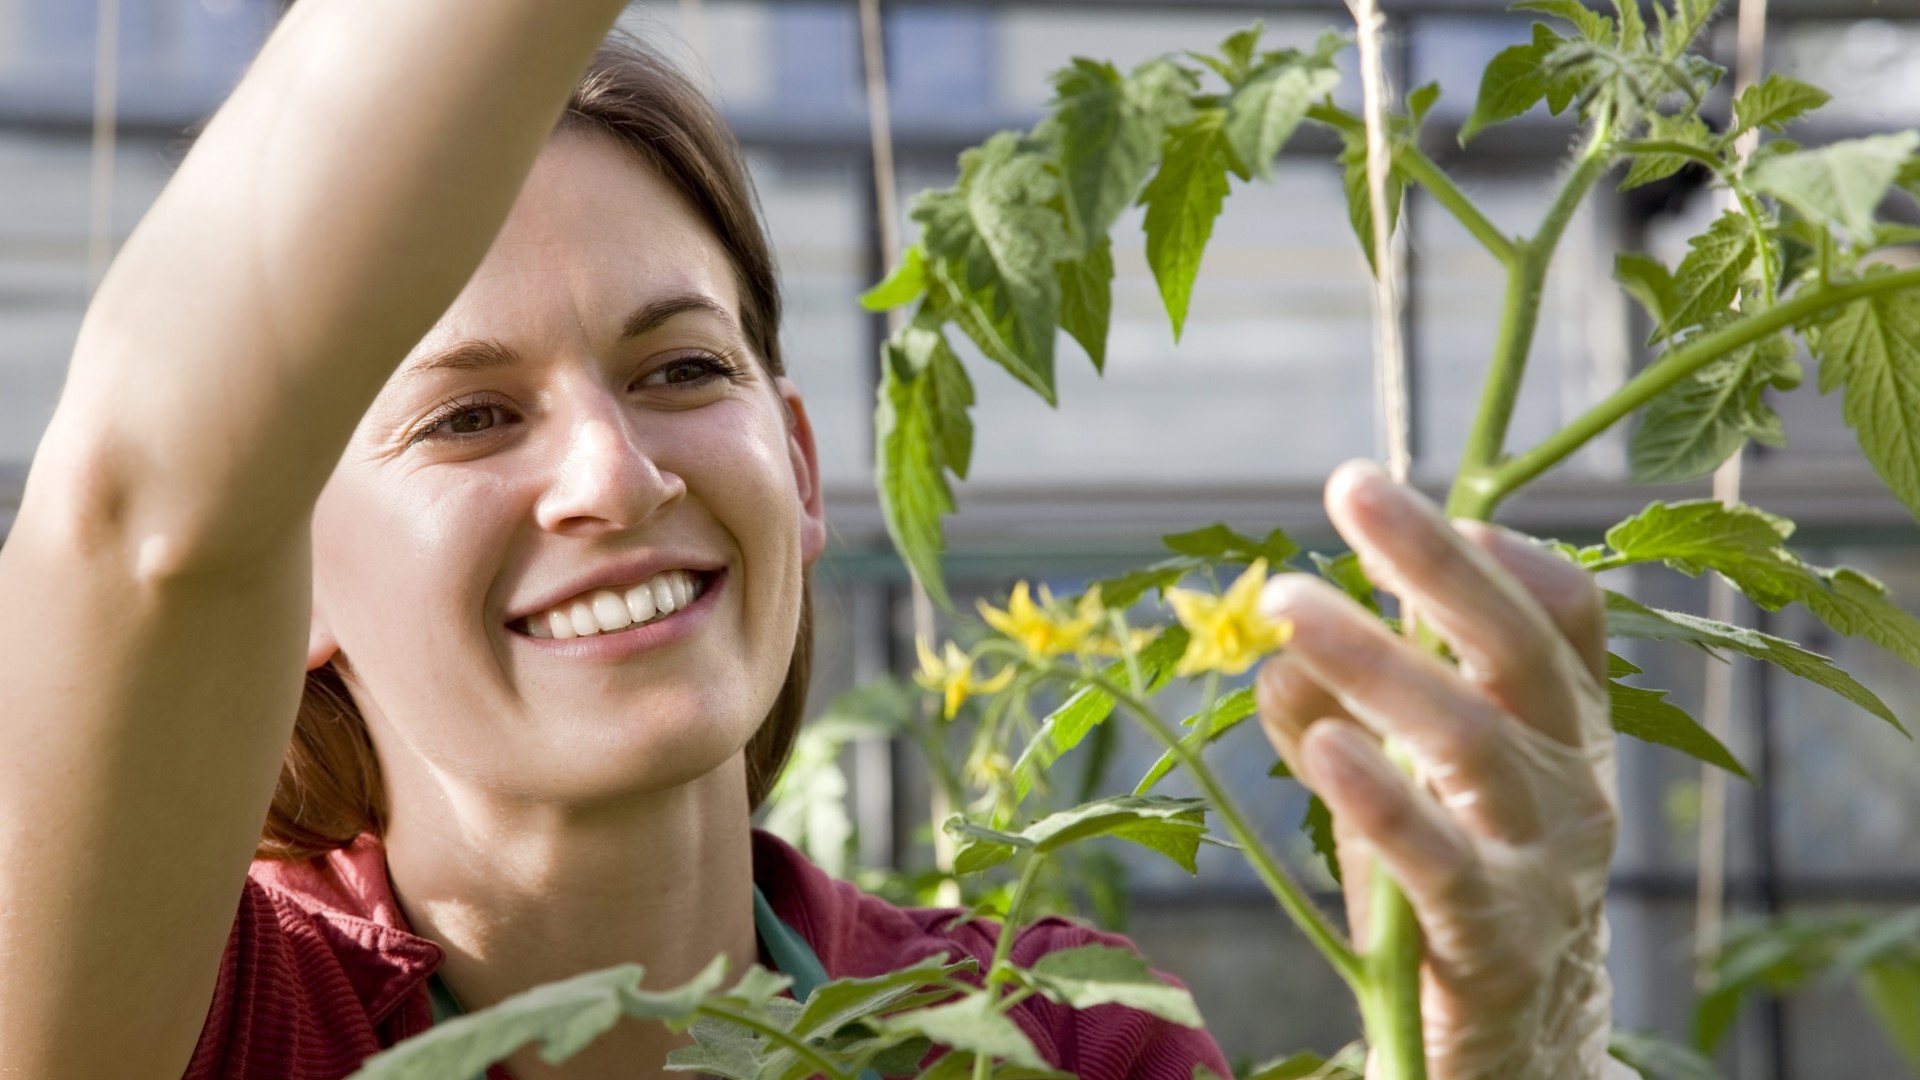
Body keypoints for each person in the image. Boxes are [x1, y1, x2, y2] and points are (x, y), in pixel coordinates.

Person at [0, 2, 1626, 1078]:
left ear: (797, 458)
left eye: (680, 370)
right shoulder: (209, 1019)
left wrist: (1495, 1051)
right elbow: (141, 507)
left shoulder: (1042, 1040)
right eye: (469, 417)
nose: (616, 478)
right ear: (285, 564)